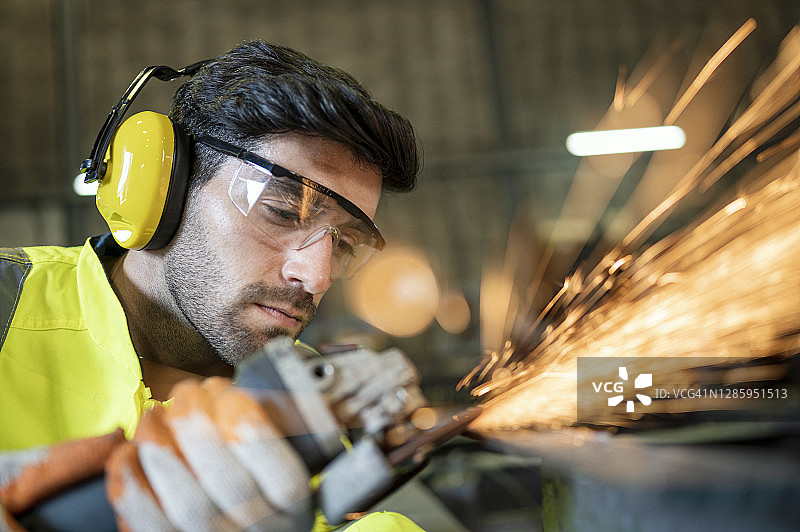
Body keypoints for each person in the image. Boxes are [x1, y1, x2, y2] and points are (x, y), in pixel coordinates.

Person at [0, 40, 423, 531]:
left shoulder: (323, 423)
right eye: (283, 212)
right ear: (162, 189)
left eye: (346, 244)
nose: (317, 275)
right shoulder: (7, 303)